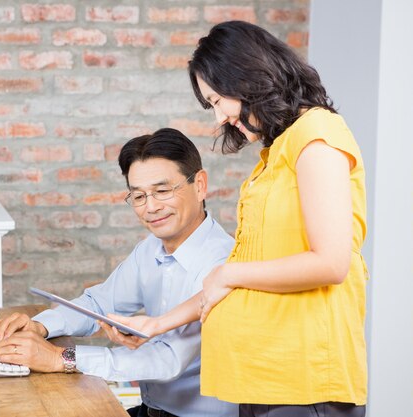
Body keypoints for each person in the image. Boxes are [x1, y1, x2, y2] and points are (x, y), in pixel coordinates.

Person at [105, 21, 368, 417]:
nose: (218, 118)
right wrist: (155, 325)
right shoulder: (276, 154)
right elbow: (240, 273)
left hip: (303, 384)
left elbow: (330, 264)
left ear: (246, 77)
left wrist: (228, 275)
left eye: (216, 100)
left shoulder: (317, 138)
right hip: (262, 380)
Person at [0, 128, 238, 417]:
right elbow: (99, 303)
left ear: (200, 185)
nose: (151, 207)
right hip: (152, 409)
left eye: (162, 190)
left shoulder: (223, 263)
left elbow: (167, 360)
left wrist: (61, 358)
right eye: (139, 196)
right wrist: (40, 326)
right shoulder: (151, 249)